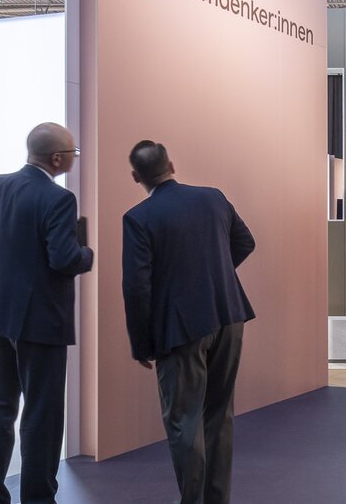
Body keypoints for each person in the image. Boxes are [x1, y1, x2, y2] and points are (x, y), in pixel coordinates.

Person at [0, 122, 94, 504]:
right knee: (41, 415)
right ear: (57, 158)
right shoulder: (59, 199)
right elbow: (64, 259)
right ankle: (37, 498)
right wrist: (87, 254)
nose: (74, 158)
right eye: (73, 153)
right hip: (41, 323)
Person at [122, 140, 255, 504]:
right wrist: (213, 276)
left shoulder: (138, 218)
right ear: (172, 166)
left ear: (135, 176)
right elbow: (245, 242)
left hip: (180, 329)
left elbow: (136, 287)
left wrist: (142, 343)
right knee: (219, 415)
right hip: (229, 316)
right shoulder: (213, 198)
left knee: (184, 421)